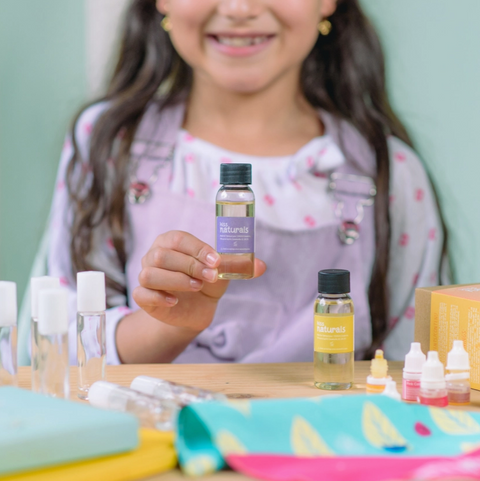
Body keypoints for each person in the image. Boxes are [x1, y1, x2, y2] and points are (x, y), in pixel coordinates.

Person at [48, 0, 446, 366]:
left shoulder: (391, 173)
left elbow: (419, 368)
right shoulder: (109, 145)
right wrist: (169, 325)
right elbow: (59, 341)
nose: (240, 8)